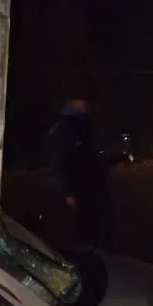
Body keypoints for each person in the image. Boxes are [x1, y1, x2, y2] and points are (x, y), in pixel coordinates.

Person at [47, 98, 113, 249]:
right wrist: (67, 192)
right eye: (80, 102)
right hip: (78, 188)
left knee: (95, 226)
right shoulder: (66, 128)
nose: (85, 106)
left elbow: (91, 153)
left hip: (91, 186)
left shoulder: (82, 125)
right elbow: (59, 162)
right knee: (81, 228)